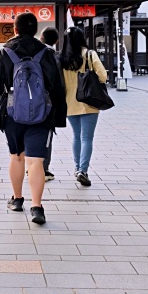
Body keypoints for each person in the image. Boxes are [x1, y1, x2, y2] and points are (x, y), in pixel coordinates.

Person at [0, 13, 67, 225]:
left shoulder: (5, 52)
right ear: (36, 30)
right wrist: (59, 118)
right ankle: (37, 207)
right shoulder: (46, 52)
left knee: (16, 156)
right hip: (42, 114)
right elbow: (57, 88)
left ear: (15, 29)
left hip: (12, 113)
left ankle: (17, 199)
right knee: (36, 160)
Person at [60, 26, 107, 187]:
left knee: (76, 135)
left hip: (69, 102)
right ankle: (83, 170)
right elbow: (103, 76)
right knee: (87, 137)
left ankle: (76, 168)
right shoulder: (89, 54)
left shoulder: (62, 58)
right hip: (89, 101)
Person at [40, 27, 60, 182]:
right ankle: (43, 169)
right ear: (56, 41)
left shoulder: (34, 52)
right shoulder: (53, 56)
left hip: (30, 102)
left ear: (41, 37)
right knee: (46, 137)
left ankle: (33, 166)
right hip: (48, 103)